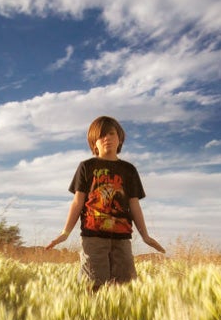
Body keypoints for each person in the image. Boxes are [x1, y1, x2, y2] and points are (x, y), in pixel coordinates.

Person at [46, 115, 165, 288]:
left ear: (120, 139)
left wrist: (145, 235)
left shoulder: (129, 170)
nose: (107, 138)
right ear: (94, 143)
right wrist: (65, 232)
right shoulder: (86, 167)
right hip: (93, 235)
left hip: (122, 236)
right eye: (101, 136)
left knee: (125, 285)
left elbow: (134, 205)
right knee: (93, 285)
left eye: (111, 133)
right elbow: (77, 202)